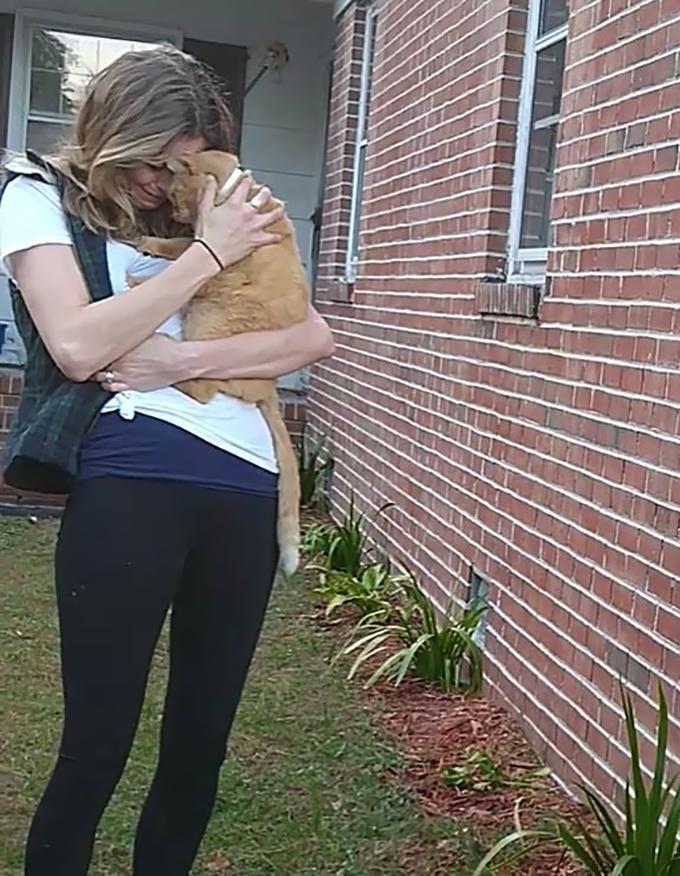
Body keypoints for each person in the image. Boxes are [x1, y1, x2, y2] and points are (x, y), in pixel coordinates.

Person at [0, 44, 334, 876]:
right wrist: (208, 257)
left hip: (247, 486)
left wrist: (177, 361)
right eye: (155, 164)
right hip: (131, 485)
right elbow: (78, 345)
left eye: (182, 166)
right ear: (116, 137)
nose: (165, 185)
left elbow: (312, 335)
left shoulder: (211, 206)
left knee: (199, 747)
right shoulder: (36, 199)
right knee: (97, 744)